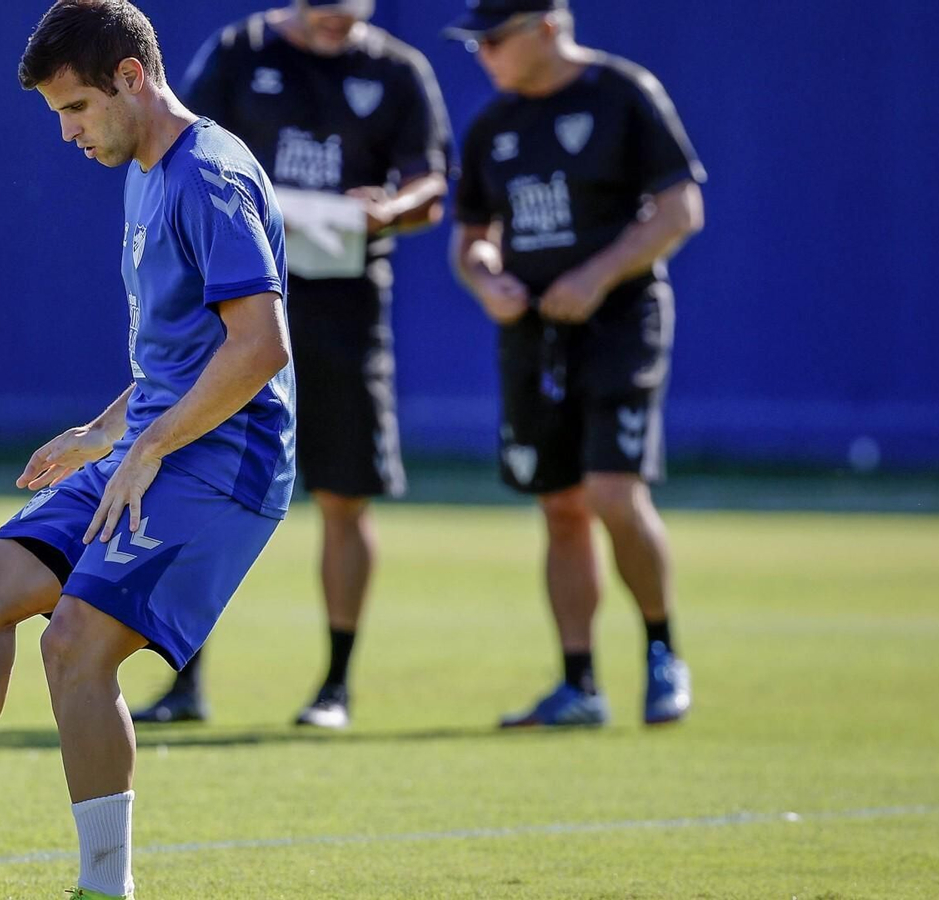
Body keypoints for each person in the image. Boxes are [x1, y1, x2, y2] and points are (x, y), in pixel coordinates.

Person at [0, 2, 294, 897]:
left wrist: (147, 446)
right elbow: (186, 348)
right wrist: (105, 431)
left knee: (75, 646)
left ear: (132, 79)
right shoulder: (141, 169)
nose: (66, 134)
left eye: (77, 110)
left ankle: (104, 888)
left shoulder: (207, 175)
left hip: (224, 462)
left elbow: (260, 347)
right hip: (155, 443)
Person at [129, 0, 452, 730]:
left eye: (352, 8)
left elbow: (431, 185)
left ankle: (335, 685)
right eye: (323, 8)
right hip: (231, 307)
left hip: (345, 307)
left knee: (343, 494)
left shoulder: (397, 70)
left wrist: (392, 207)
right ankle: (185, 679)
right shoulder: (239, 52)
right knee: (194, 482)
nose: (338, 20)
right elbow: (178, 147)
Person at [443, 0, 704, 727]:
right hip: (532, 333)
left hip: (620, 322)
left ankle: (662, 653)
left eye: (493, 39)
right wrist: (486, 276)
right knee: (559, 506)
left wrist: (599, 274)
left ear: (547, 28)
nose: (484, 54)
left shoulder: (623, 93)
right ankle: (579, 684)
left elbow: (681, 208)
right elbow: (472, 237)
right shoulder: (495, 124)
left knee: (613, 493)